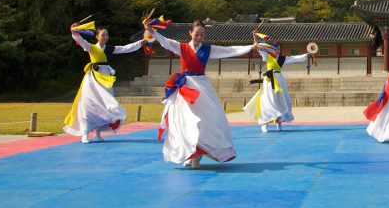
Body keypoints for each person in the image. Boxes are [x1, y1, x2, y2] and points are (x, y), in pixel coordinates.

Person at [144, 19, 256, 168]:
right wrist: (150, 29)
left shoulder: (208, 49)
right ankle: (188, 153)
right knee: (185, 121)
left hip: (202, 86)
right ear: (190, 33)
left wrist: (251, 46)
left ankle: (199, 153)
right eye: (196, 34)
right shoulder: (182, 47)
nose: (199, 37)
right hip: (185, 87)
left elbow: (230, 50)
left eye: (202, 35)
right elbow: (165, 41)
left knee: (210, 118)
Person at [64, 24, 144, 144]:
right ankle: (85, 133)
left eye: (107, 35)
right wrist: (74, 32)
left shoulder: (110, 48)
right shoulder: (90, 47)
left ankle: (98, 132)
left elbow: (126, 48)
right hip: (92, 79)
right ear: (97, 36)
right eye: (102, 35)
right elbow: (80, 39)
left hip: (105, 78)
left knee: (107, 104)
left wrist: (142, 42)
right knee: (88, 105)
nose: (105, 37)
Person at [243, 32, 316, 133]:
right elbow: (257, 47)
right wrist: (255, 36)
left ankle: (279, 122)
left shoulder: (282, 58)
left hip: (279, 80)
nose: (277, 50)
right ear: (271, 49)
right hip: (269, 80)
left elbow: (294, 58)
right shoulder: (267, 56)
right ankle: (264, 123)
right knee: (267, 100)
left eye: (279, 49)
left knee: (281, 100)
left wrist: (307, 55)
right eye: (275, 48)